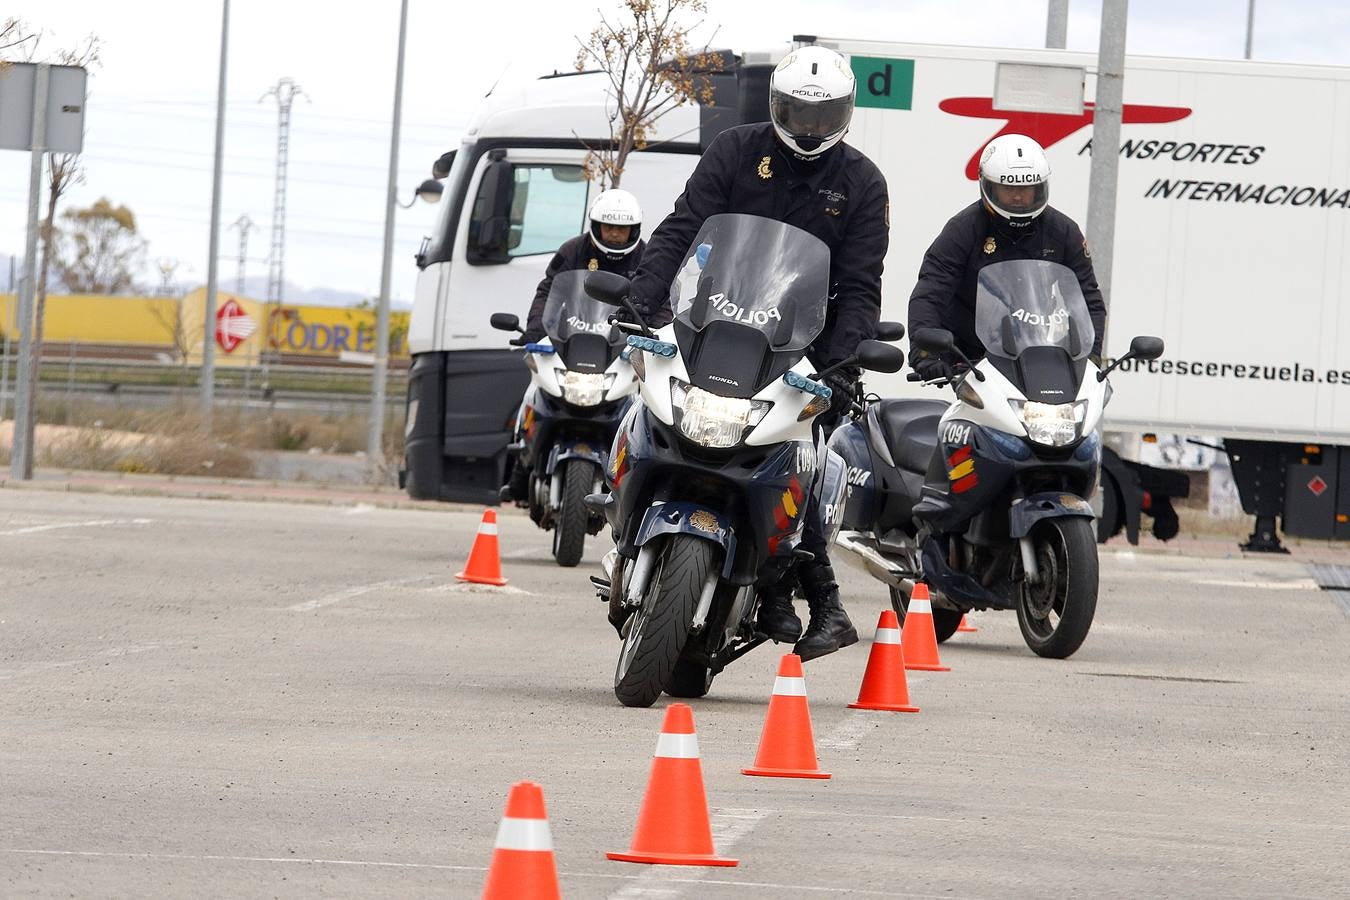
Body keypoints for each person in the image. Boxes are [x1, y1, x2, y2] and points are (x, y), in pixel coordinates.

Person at [627, 45, 890, 662]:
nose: (809, 128)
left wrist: (843, 364)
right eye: (797, 111)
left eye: (824, 117)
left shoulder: (862, 183)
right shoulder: (736, 150)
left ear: (845, 114)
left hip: (800, 348)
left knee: (806, 457)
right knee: (648, 395)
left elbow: (858, 285)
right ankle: (620, 500)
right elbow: (684, 225)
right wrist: (639, 302)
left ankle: (808, 594)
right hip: (711, 325)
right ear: (775, 104)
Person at [906, 133, 1107, 590]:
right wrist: (926, 346)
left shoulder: (1062, 231)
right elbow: (931, 287)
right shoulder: (964, 229)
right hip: (970, 354)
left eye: (1029, 190)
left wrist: (1091, 355)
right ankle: (937, 521)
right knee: (968, 431)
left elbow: (1089, 299)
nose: (1019, 198)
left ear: (1042, 189)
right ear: (987, 187)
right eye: (1010, 189)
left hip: (1038, 358)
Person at [501, 189, 645, 503]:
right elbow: (548, 291)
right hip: (573, 341)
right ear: (596, 226)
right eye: (609, 227)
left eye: (622, 229)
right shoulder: (573, 251)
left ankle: (632, 486)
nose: (615, 234)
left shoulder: (646, 258)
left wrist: (650, 334)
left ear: (633, 230)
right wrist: (536, 333)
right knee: (533, 390)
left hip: (617, 346)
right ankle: (519, 470)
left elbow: (658, 300)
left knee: (643, 408)